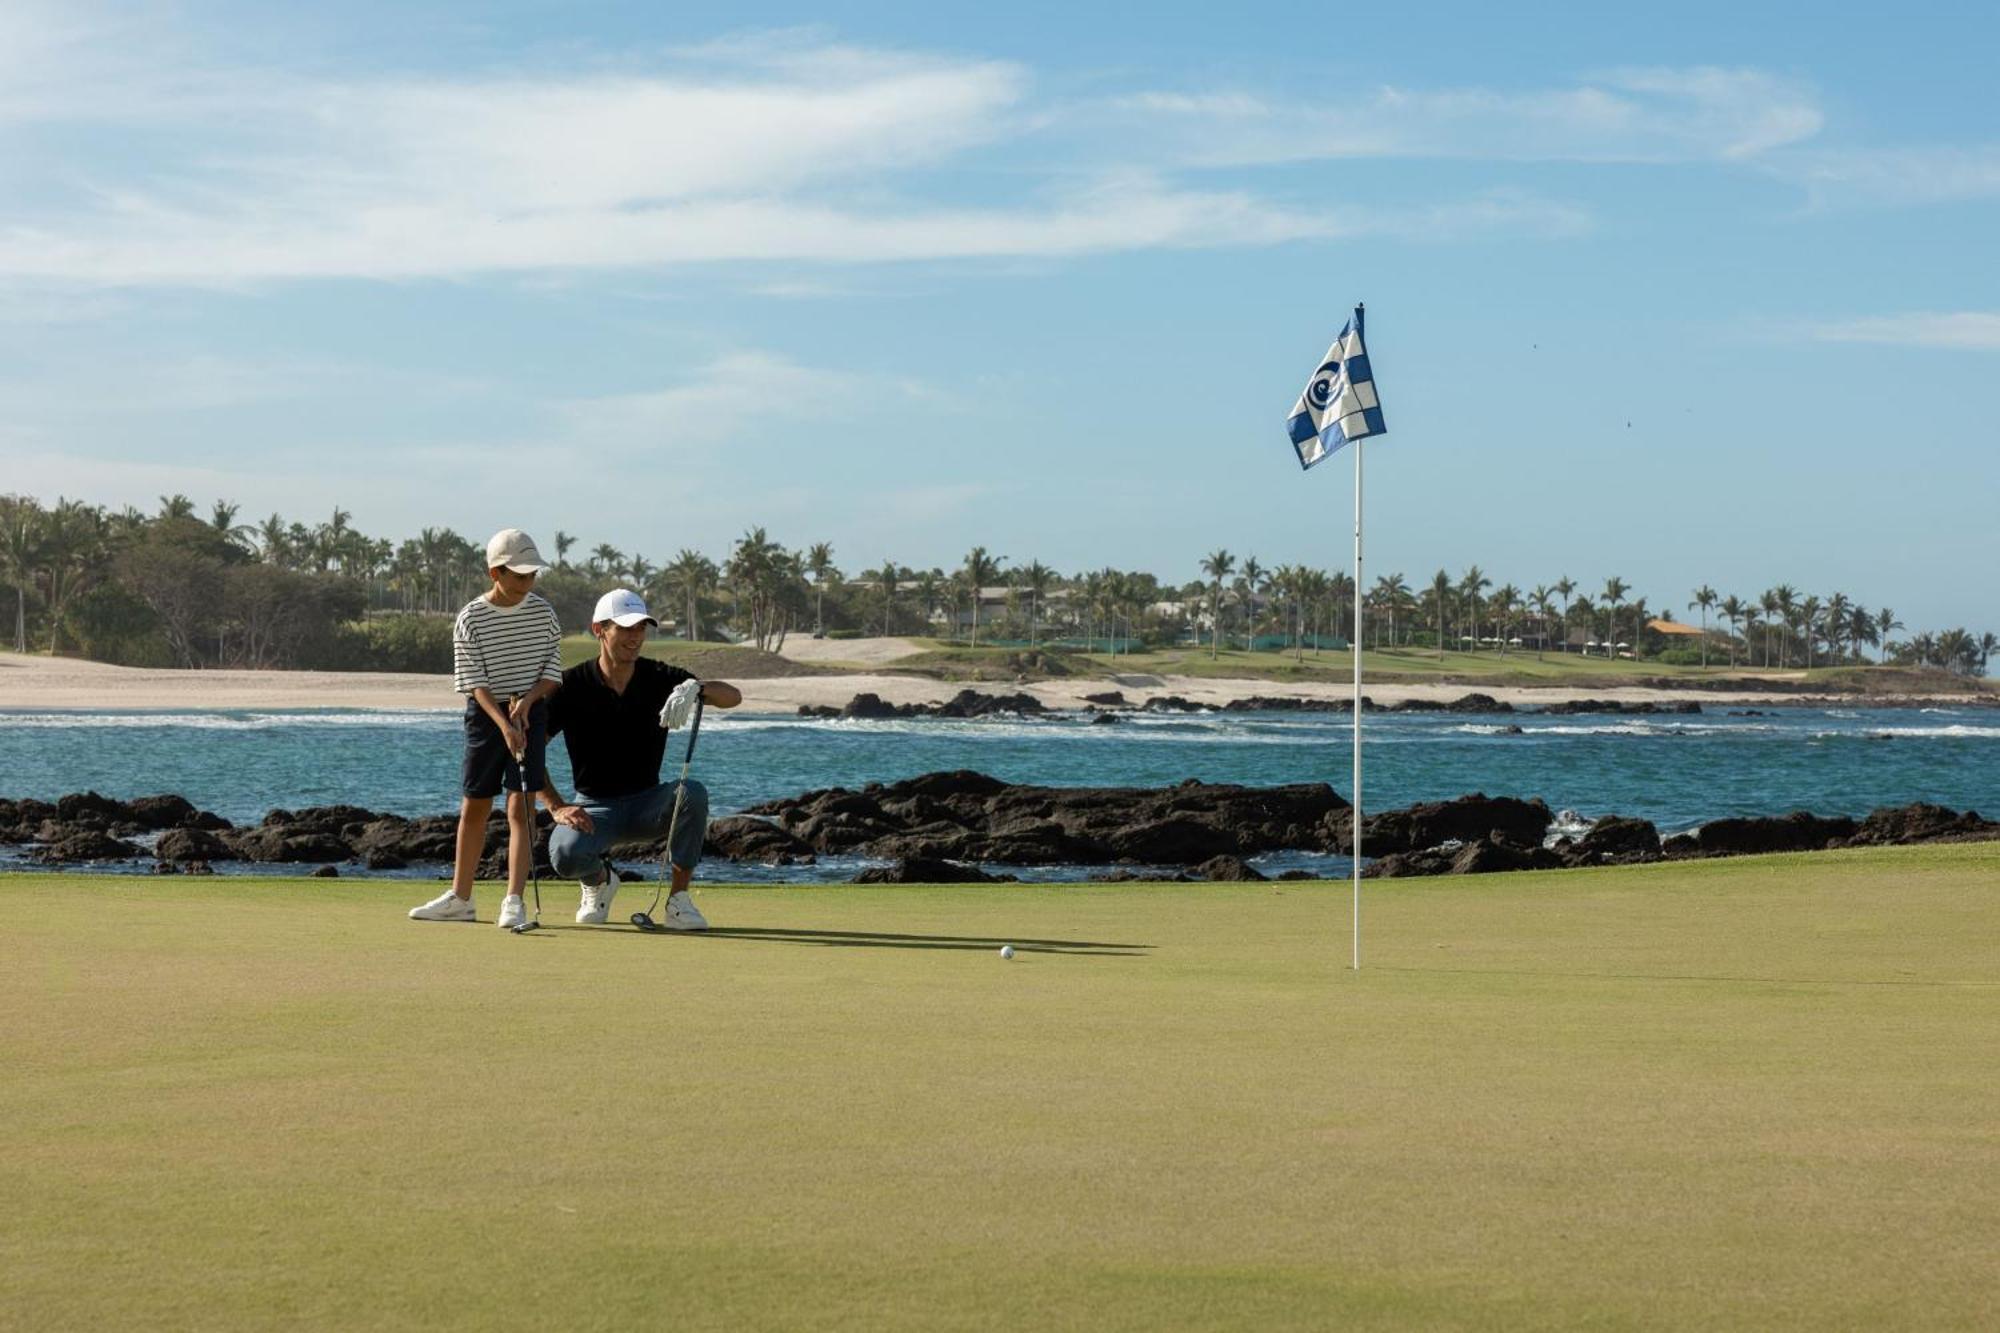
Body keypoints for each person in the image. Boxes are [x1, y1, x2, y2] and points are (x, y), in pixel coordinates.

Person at [538, 588, 741, 928]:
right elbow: (531, 750)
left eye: (641, 628)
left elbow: (732, 697)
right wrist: (556, 806)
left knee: (692, 792)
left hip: (649, 803)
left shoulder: (661, 678)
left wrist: (697, 688)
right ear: (599, 629)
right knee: (565, 856)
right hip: (594, 808)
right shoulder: (571, 685)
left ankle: (679, 901)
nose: (635, 637)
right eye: (626, 628)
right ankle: (600, 881)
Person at [408, 528, 563, 927]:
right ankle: (461, 897)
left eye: (532, 575)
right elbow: (474, 682)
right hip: (486, 713)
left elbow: (551, 672)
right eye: (519, 575)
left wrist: (526, 704)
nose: (527, 583)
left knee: (521, 805)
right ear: (496, 572)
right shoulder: (471, 617)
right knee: (475, 803)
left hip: (531, 709)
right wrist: (504, 724)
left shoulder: (543, 613)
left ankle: (513, 900)